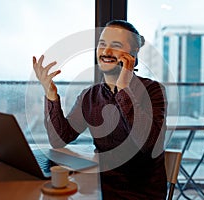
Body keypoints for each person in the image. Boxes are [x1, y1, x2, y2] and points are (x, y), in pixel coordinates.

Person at [33, 20, 168, 199]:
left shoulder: (153, 90)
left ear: (133, 54)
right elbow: (59, 139)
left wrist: (123, 88)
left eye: (116, 45)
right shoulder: (89, 96)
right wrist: (51, 95)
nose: (106, 51)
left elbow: (149, 143)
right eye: (102, 44)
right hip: (98, 186)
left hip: (140, 193)